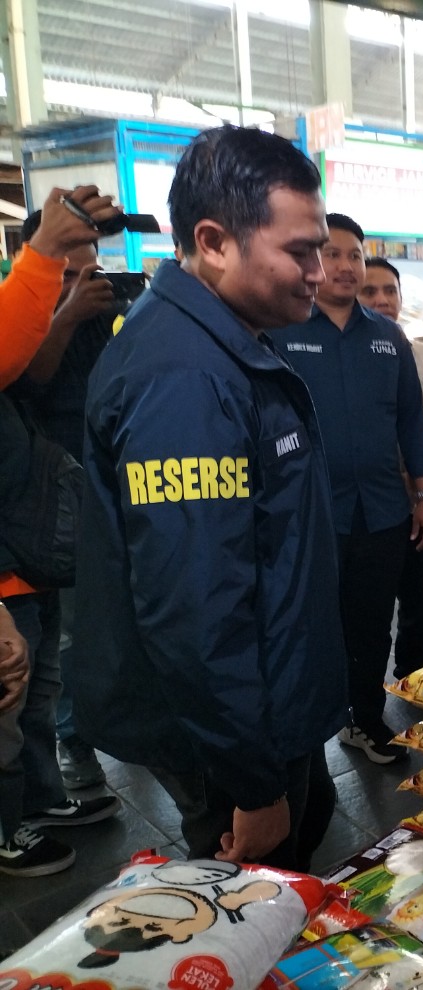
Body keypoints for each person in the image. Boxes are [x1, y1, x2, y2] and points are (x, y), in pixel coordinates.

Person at [73, 125, 349, 872]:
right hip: (223, 732)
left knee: (309, 823)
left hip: (266, 704)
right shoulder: (184, 381)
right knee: (249, 904)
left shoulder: (226, 341)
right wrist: (252, 786)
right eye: (300, 251)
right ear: (214, 241)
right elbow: (197, 611)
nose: (319, 272)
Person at [273, 216, 423, 765]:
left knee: (372, 626)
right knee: (309, 626)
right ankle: (304, 731)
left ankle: (364, 719)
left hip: (383, 514)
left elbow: (412, 428)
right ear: (313, 262)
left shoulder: (388, 339)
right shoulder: (281, 333)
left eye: (355, 255)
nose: (344, 266)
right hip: (307, 516)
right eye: (332, 254)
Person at [1, 185, 121, 877]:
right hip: (22, 526)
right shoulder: (32, 323)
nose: (79, 281)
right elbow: (27, 375)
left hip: (68, 519)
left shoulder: (94, 322)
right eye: (60, 265)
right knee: (21, 683)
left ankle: (41, 797)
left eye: (87, 269)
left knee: (41, 675)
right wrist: (66, 314)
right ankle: (15, 819)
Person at [358, 257, 423, 678]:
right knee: (368, 602)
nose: (381, 300)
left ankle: (414, 676)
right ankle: (363, 698)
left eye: (389, 291)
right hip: (369, 498)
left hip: (419, 491)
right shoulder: (341, 353)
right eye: (369, 291)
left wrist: (417, 480)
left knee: (416, 593)